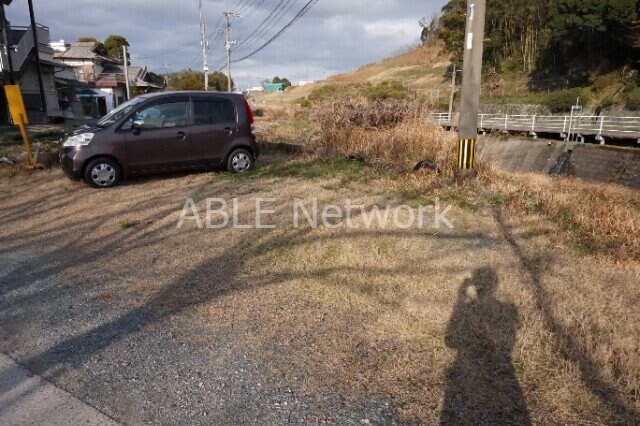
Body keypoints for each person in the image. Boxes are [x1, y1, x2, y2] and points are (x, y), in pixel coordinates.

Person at [440, 268, 531, 425]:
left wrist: (461, 298)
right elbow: (509, 340)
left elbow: (450, 341)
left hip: (473, 378)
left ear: (475, 286)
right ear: (495, 285)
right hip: (500, 375)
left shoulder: (469, 310)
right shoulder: (508, 310)